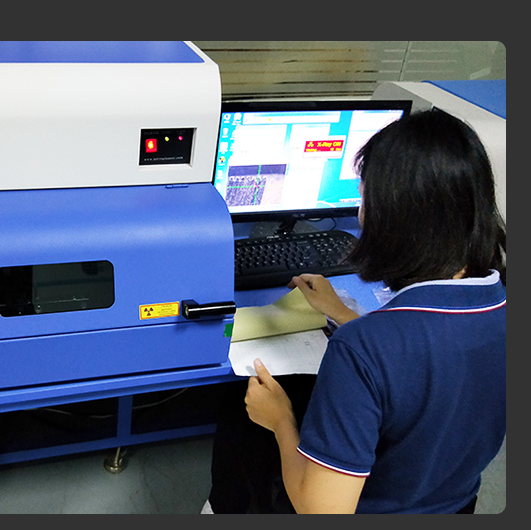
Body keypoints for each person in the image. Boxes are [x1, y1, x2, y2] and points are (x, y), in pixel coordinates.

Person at [208, 109, 506, 514]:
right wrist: (341, 312)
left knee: (240, 411)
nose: (361, 215)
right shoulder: (500, 305)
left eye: (366, 201)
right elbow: (430, 359)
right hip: (452, 502)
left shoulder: (361, 349)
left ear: (395, 220)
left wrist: (281, 421)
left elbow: (323, 510)